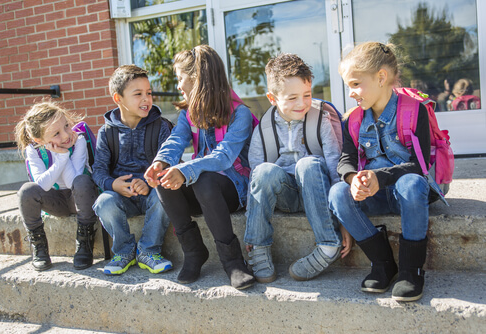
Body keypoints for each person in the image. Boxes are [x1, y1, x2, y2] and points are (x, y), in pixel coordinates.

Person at [144, 45, 255, 290]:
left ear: (197, 79)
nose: (179, 86)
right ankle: (194, 252)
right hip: (202, 194)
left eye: (180, 78)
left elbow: (223, 157)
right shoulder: (188, 113)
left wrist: (186, 170)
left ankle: (232, 260)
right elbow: (175, 141)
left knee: (204, 179)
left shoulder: (240, 113)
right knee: (165, 178)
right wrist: (160, 162)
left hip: (232, 189)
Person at [328, 42, 432, 302]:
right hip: (373, 195)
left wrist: (380, 177)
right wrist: (353, 179)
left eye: (355, 84)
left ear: (381, 77)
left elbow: (420, 165)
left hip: (408, 195)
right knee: (338, 193)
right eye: (348, 86)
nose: (351, 93)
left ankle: (411, 269)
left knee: (411, 184)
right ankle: (383, 263)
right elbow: (346, 161)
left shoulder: (414, 110)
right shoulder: (352, 119)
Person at [243, 53, 352, 283]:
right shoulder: (264, 127)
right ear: (272, 98)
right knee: (263, 170)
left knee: (308, 163)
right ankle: (259, 247)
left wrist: (344, 219)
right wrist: (251, 224)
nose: (302, 103)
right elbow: (256, 177)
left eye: (307, 95)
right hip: (287, 195)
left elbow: (334, 165)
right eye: (292, 98)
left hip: (317, 189)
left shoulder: (319, 118)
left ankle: (328, 244)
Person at [92, 65, 172, 275]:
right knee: (103, 202)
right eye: (138, 94)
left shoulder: (162, 126)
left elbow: (171, 163)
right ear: (118, 98)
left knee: (167, 193)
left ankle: (148, 250)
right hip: (122, 198)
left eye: (149, 93)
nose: (146, 99)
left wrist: (148, 183)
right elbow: (98, 170)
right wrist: (113, 185)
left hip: (152, 195)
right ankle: (124, 251)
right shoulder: (106, 132)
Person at [15, 101, 98, 271]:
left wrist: (64, 154)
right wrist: (58, 156)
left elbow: (72, 181)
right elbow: (42, 185)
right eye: (57, 133)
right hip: (55, 201)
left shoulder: (78, 140)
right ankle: (39, 246)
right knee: (27, 191)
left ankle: (84, 240)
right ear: (39, 140)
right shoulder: (34, 149)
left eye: (66, 126)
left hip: (80, 198)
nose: (66, 135)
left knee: (81, 181)